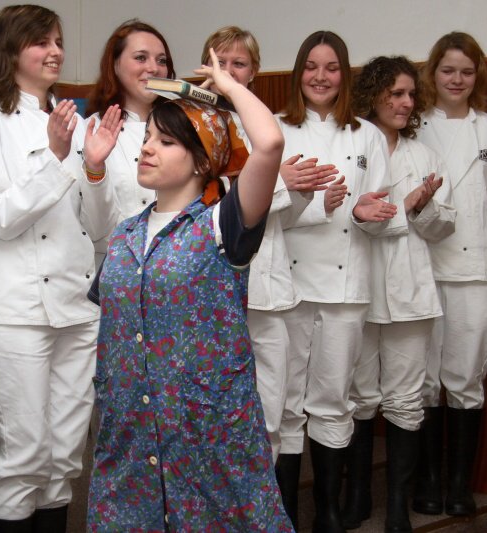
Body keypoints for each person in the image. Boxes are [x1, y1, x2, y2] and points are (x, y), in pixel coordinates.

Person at [87, 48, 292, 531]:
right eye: (147, 137)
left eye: (166, 141)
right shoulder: (125, 235)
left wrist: (228, 87)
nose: (147, 148)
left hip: (207, 433)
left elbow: (269, 144)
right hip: (132, 432)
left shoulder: (223, 224)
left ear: (202, 159)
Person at [0, 5, 122, 531]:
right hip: (18, 309)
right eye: (41, 42)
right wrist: (54, 156)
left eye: (57, 40)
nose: (55, 51)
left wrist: (94, 167)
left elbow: (98, 228)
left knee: (63, 458)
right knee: (23, 457)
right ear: (9, 51)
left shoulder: (76, 121)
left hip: (77, 306)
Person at [201, 27, 335, 489]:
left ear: (254, 71)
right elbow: (207, 205)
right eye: (221, 62)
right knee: (219, 417)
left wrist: (302, 192)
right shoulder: (190, 122)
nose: (229, 72)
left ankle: (264, 512)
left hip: (271, 291)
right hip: (219, 293)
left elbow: (278, 219)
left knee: (272, 413)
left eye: (239, 64)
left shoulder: (260, 125)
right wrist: (281, 184)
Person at [275, 30, 397, 532]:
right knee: (284, 404)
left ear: (344, 75)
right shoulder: (276, 129)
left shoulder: (367, 136)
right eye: (311, 66)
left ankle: (326, 512)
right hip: (287, 287)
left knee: (332, 400)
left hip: (346, 290)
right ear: (297, 72)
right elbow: (258, 214)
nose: (320, 77)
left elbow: (381, 212)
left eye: (331, 68)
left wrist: (367, 214)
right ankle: (283, 513)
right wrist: (315, 207)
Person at [344, 55, 456, 532]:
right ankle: (357, 496)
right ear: (373, 95)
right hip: (358, 289)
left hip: (411, 292)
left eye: (411, 94)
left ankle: (396, 507)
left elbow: (444, 227)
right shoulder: (352, 146)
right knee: (359, 396)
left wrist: (423, 208)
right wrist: (403, 208)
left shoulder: (424, 156)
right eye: (395, 94)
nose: (406, 103)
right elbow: (346, 217)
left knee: (406, 399)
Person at [412, 31, 487, 518]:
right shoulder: (416, 128)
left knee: (466, 378)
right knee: (425, 379)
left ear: (478, 76)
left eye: (466, 71)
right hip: (424, 270)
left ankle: (459, 485)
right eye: (448, 70)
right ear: (432, 73)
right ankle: (428, 481)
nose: (457, 79)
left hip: (476, 273)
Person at [86, 19, 175, 266]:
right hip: (116, 269)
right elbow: (93, 228)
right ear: (115, 65)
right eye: (140, 58)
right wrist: (95, 168)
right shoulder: (89, 130)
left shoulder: (184, 129)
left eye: (161, 61)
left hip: (175, 267)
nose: (153, 68)